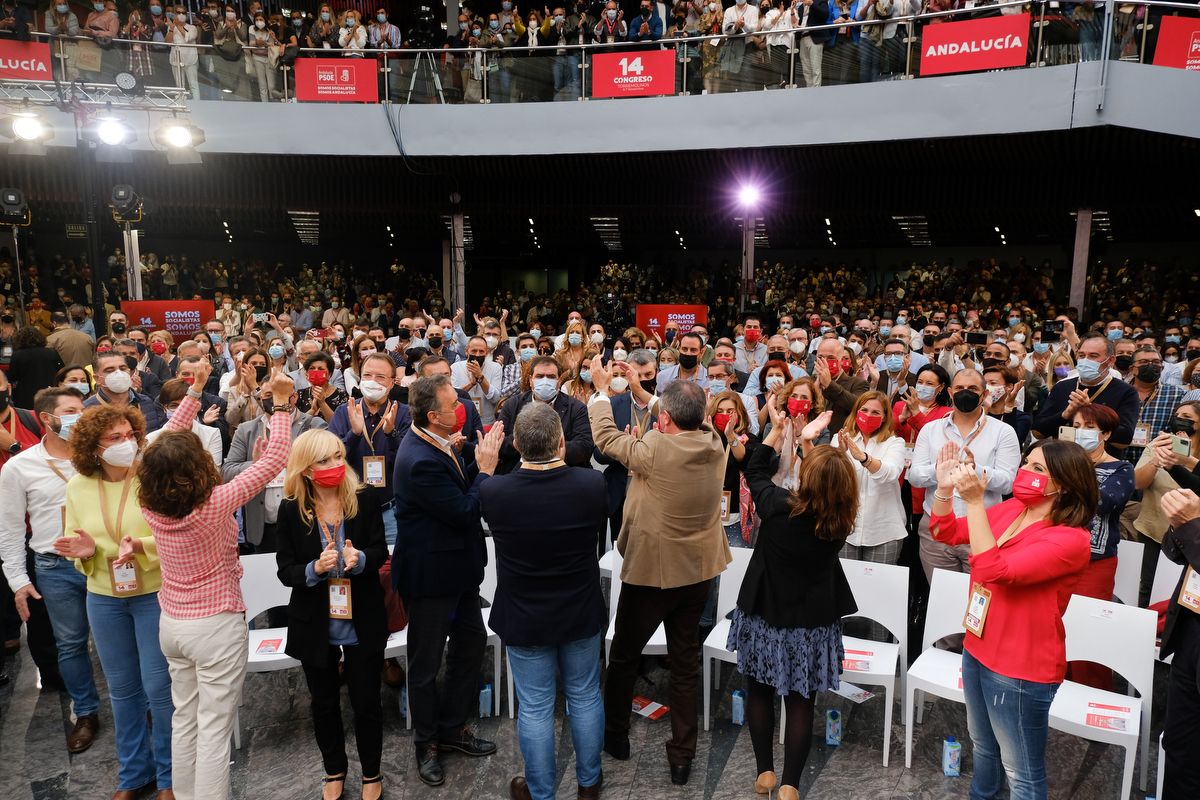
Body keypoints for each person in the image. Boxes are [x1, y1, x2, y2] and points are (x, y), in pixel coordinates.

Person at [137, 360, 295, 800]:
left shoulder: (149, 504)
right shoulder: (215, 503)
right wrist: (281, 403)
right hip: (216, 624)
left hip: (172, 625)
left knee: (185, 718)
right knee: (213, 731)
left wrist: (195, 391)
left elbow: (162, 443)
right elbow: (278, 459)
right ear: (199, 469)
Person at [587, 355, 729, 786]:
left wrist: (602, 392)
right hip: (698, 570)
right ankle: (682, 757)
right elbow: (684, 415)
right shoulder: (713, 443)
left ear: (664, 420)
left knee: (626, 655)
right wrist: (639, 391)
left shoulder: (656, 448)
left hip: (651, 574)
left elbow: (607, 438)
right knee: (684, 663)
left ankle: (616, 737)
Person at [928, 439, 1095, 800]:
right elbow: (945, 532)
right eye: (1026, 463)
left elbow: (995, 570)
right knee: (983, 746)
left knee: (1021, 772)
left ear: (1064, 483)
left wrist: (974, 501)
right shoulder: (1012, 509)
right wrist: (944, 490)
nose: (1025, 472)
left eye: (1038, 469)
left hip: (1020, 667)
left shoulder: (1070, 539)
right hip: (978, 646)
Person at [481, 403, 607, 800]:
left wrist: (485, 468)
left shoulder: (495, 490)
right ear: (562, 442)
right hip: (579, 609)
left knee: (535, 707)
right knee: (585, 695)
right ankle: (589, 784)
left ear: (516, 444)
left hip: (525, 615)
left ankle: (541, 793)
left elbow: (478, 500)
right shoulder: (591, 486)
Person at [54, 404, 174, 800]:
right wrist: (83, 551)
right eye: (115, 439)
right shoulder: (77, 486)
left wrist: (139, 548)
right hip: (104, 597)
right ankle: (133, 775)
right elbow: (75, 541)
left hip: (154, 593)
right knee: (122, 691)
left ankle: (170, 777)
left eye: (131, 436)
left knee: (159, 689)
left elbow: (176, 536)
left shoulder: (152, 479)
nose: (127, 445)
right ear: (93, 447)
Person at [733, 420, 857, 800]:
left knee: (759, 692)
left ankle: (764, 774)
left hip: (766, 616)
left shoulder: (777, 506)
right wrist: (806, 445)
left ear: (808, 477)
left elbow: (754, 468)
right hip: (812, 623)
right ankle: (790, 785)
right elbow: (821, 484)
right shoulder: (838, 522)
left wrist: (775, 432)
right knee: (802, 701)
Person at [392, 375, 506, 787]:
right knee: (425, 664)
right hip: (431, 578)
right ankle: (427, 744)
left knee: (470, 646)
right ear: (432, 415)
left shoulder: (436, 442)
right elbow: (461, 509)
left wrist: (474, 456)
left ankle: (453, 727)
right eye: (452, 403)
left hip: (458, 573)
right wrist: (487, 472)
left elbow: (457, 483)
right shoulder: (419, 459)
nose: (460, 408)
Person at [276, 429, 388, 800]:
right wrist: (314, 569)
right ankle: (333, 771)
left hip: (362, 617)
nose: (335, 465)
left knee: (366, 701)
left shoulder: (365, 499)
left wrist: (361, 560)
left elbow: (380, 551)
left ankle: (372, 773)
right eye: (324, 460)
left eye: (338, 456)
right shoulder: (291, 509)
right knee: (323, 703)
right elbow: (285, 569)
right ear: (305, 469)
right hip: (315, 622)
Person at [0, 387, 102, 753]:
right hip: (55, 568)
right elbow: (9, 530)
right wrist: (18, 582)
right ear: (47, 418)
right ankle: (86, 712)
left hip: (104, 562)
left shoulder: (100, 455)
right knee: (71, 643)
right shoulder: (19, 467)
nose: (81, 416)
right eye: (73, 410)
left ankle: (141, 706)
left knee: (119, 641)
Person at [908, 367, 1021, 582]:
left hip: (983, 529)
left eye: (972, 388)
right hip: (937, 529)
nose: (965, 392)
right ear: (950, 393)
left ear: (984, 394)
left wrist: (975, 470)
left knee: (980, 600)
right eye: (959, 388)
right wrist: (942, 470)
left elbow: (1008, 484)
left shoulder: (1002, 432)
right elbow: (915, 476)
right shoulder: (931, 429)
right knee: (943, 596)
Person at [1064, 403, 1134, 690]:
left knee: (1087, 631)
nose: (1082, 433)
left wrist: (1069, 477)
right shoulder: (1063, 461)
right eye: (1077, 426)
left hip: (1095, 562)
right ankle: (1054, 691)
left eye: (1090, 428)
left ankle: (1089, 697)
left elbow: (1104, 502)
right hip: (1057, 555)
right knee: (1054, 627)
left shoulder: (1121, 468)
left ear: (1105, 433)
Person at [225, 379, 327, 554]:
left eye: (279, 395)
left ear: (294, 397)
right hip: (263, 526)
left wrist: (296, 461)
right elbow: (226, 472)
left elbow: (327, 463)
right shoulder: (246, 430)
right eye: (267, 395)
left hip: (306, 520)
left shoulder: (313, 425)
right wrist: (257, 465)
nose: (273, 400)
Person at [327, 353, 409, 548]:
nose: (373, 382)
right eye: (367, 375)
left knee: (391, 568)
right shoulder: (344, 412)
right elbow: (329, 458)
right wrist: (354, 434)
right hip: (351, 508)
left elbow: (409, 462)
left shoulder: (405, 413)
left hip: (391, 509)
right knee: (355, 565)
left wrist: (391, 434)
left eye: (380, 377)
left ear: (392, 383)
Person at [1132, 401, 1200, 607]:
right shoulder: (1159, 444)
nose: (1180, 420)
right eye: (1177, 415)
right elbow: (1137, 482)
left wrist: (1183, 463)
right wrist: (1156, 461)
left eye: (1187, 418)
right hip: (1153, 529)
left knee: (1181, 593)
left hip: (1191, 536)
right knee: (1147, 587)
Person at [833, 390, 907, 566]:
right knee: (845, 588)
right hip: (846, 529)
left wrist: (864, 458)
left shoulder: (894, 443)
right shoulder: (840, 439)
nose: (868, 415)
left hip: (884, 532)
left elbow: (890, 473)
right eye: (864, 410)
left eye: (875, 412)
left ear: (884, 417)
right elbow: (830, 479)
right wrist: (840, 454)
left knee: (878, 590)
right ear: (856, 412)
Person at [1158, 485, 1200, 798]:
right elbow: (1175, 553)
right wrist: (1178, 522)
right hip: (1190, 630)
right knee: (1179, 741)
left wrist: (1192, 524)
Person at [1032, 332, 1139, 451]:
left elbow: (1124, 439)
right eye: (1082, 355)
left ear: (1110, 361)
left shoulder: (1126, 391)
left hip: (1102, 464)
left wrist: (1091, 411)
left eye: (1093, 356)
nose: (1086, 360)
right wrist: (1065, 414)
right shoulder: (1062, 387)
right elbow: (1038, 431)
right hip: (1062, 461)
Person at [495, 355, 593, 475]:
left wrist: (544, 448)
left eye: (551, 377)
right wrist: (525, 442)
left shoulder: (577, 408)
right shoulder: (513, 404)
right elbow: (498, 443)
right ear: (531, 380)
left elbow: (585, 446)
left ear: (559, 381)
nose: (545, 380)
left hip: (564, 474)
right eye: (540, 376)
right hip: (519, 473)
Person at [8, 325, 65, 410]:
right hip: (49, 393)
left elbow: (12, 377)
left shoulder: (18, 355)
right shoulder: (52, 352)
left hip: (25, 396)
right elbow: (62, 372)